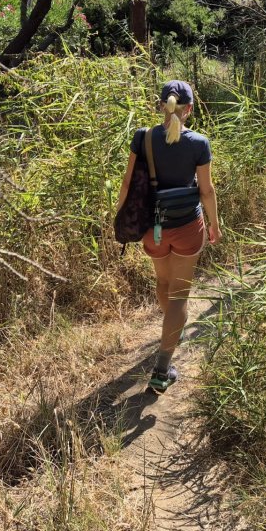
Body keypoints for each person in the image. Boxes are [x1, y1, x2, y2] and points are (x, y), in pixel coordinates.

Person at [116, 80, 220, 393]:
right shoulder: (199, 142)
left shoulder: (143, 138)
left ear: (162, 105)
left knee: (164, 284)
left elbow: (126, 185)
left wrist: (119, 220)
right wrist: (215, 224)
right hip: (188, 225)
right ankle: (162, 368)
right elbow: (206, 190)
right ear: (189, 109)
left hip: (153, 227)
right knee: (180, 295)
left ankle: (169, 327)